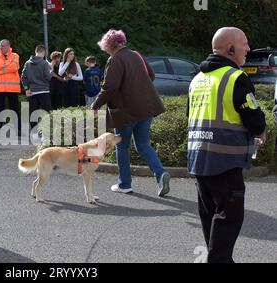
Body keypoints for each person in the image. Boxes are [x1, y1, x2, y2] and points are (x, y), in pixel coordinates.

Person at [187, 27, 267, 263]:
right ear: (230, 49)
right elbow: (252, 116)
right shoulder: (235, 77)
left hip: (199, 158)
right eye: (245, 44)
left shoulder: (198, 79)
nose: (248, 49)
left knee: (210, 214)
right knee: (229, 216)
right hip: (224, 160)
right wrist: (260, 129)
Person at [91, 29, 171, 197]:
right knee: (143, 145)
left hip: (125, 111)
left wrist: (96, 104)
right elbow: (151, 75)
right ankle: (160, 173)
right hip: (146, 107)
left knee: (122, 146)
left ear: (109, 45)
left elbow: (110, 86)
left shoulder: (115, 59)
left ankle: (124, 184)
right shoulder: (136, 55)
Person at [0, 39, 21, 138]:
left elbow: (15, 67)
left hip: (13, 88)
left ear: (9, 46)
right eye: (1, 45)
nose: (2, 47)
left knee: (14, 110)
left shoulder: (15, 55)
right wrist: (7, 65)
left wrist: (1, 69)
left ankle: (17, 130)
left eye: (4, 45)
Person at [21, 45, 52, 136]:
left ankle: (34, 131)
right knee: (46, 112)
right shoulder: (44, 63)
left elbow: (23, 77)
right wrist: (51, 71)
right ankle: (46, 131)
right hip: (44, 91)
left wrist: (26, 88)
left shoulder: (27, 63)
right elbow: (48, 77)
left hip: (32, 91)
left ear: (36, 51)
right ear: (44, 52)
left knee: (33, 112)